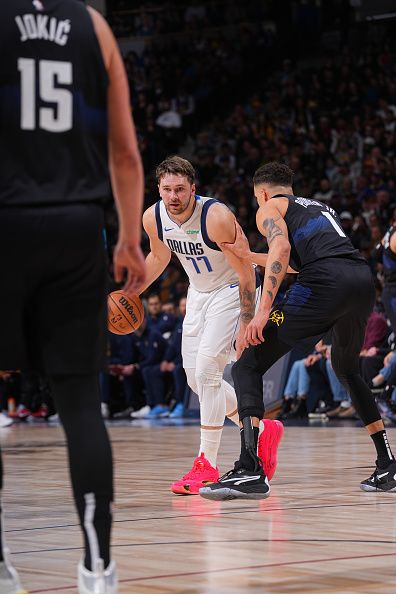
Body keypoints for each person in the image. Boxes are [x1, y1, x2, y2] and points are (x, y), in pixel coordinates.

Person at [0, 2, 146, 593]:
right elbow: (126, 153)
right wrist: (131, 241)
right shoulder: (96, 26)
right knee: (82, 405)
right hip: (77, 226)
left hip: (5, 219)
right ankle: (99, 569)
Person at [200, 161, 396, 500]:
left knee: (247, 360)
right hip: (361, 282)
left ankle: (250, 469)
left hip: (323, 285)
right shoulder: (317, 207)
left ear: (261, 193)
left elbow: (282, 250)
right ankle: (388, 463)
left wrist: (262, 313)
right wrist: (250, 256)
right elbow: (292, 261)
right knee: (347, 369)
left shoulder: (269, 209)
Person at [138, 155, 283, 495]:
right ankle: (263, 433)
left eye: (180, 190)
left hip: (233, 289)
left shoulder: (215, 217)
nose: (173, 197)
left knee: (207, 369)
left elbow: (247, 270)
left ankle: (207, 463)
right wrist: (130, 292)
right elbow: (159, 258)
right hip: (200, 292)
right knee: (195, 378)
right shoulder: (153, 217)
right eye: (167, 190)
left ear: (193, 189)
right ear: (159, 190)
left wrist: (248, 318)